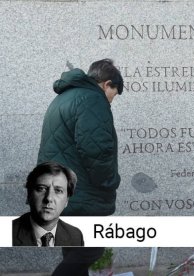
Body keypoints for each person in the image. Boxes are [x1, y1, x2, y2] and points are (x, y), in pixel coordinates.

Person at [37, 59, 123, 275]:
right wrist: (110, 182)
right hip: (81, 194)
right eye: (115, 92)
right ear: (107, 83)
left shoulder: (64, 97)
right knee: (89, 252)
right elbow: (96, 150)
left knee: (75, 251)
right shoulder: (92, 99)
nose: (112, 100)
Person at [13, 162, 83, 247]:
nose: (49, 198)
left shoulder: (75, 236)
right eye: (41, 189)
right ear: (28, 196)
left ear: (67, 201)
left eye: (58, 191)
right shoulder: (6, 232)